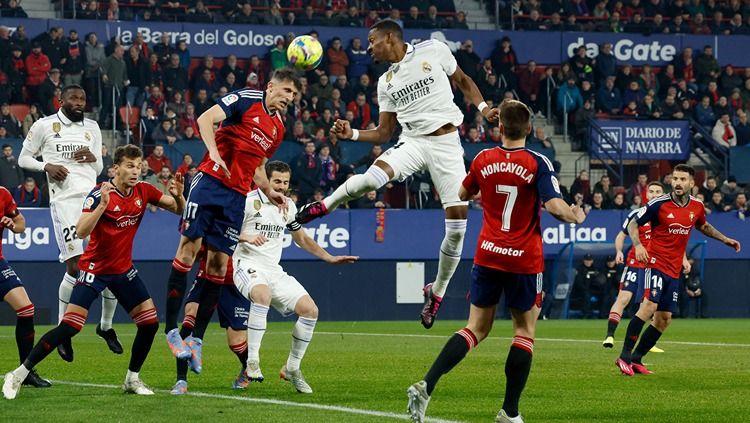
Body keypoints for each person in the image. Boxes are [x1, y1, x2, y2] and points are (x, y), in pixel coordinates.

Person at [294, 20, 500, 329]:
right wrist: (351, 134)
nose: (369, 46)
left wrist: (484, 109)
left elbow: (463, 80)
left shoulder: (433, 49)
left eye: (372, 40)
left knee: (458, 229)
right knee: (370, 179)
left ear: (389, 37)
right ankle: (325, 206)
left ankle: (437, 292)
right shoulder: (386, 82)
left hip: (446, 145)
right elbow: (383, 133)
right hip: (413, 142)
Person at [406, 100, 586, 423]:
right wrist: (575, 215)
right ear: (529, 129)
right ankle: (510, 412)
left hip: (488, 254)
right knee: (524, 331)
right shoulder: (538, 162)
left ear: (499, 127)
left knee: (475, 328)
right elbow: (556, 207)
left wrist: (485, 188)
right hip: (523, 261)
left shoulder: (483, 158)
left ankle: (426, 384)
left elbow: (462, 193)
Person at [2, 144, 186, 400]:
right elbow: (80, 231)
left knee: (150, 324)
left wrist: (178, 195)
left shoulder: (144, 191)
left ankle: (132, 379)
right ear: (115, 168)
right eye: (129, 166)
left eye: (138, 166)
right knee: (70, 327)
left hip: (123, 270)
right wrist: (102, 207)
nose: (135, 171)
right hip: (94, 270)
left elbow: (179, 209)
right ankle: (19, 374)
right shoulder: (99, 193)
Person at [163, 70, 300, 371]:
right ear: (270, 86)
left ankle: (196, 340)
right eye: (286, 90)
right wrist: (214, 153)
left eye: (293, 94)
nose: (289, 97)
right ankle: (171, 330)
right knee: (187, 250)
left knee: (218, 264)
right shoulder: (247, 99)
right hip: (210, 181)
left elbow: (259, 167)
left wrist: (270, 192)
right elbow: (204, 118)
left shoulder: (277, 128)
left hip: (237, 196)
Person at [230, 160, 357, 394]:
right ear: (266, 180)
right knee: (262, 294)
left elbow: (302, 239)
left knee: (310, 310)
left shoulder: (288, 206)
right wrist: (245, 237)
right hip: (245, 264)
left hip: (273, 270)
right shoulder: (247, 202)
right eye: (277, 181)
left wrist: (329, 258)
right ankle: (252, 362)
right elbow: (221, 230)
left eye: (285, 182)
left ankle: (292, 368)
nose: (281, 186)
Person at [18, 85, 121, 363]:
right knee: (76, 267)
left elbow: (98, 167)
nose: (79, 102)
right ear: (60, 100)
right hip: (64, 202)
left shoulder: (92, 127)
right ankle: (64, 331)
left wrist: (94, 159)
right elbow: (23, 158)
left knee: (110, 266)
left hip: (93, 201)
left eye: (83, 98)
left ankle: (106, 326)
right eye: (74, 98)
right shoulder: (44, 125)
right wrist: (46, 166)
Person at [616, 164, 741, 376]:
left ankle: (637, 359)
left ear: (692, 183)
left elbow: (703, 226)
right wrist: (637, 245)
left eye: (683, 179)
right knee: (648, 307)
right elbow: (633, 224)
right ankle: (624, 357)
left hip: (673, 269)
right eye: (675, 179)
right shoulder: (659, 204)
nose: (678, 183)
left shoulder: (697, 206)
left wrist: (725, 239)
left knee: (664, 319)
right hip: (654, 262)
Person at [169, 246, 251, 394]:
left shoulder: (245, 224)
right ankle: (181, 381)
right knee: (189, 320)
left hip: (235, 281)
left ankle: (248, 368)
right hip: (207, 275)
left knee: (237, 344)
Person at [603, 181, 673, 351]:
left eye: (658, 191)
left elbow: (676, 241)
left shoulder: (668, 216)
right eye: (652, 191)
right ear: (646, 195)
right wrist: (619, 251)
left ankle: (646, 342)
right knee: (624, 298)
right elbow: (621, 235)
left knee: (649, 305)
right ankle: (610, 335)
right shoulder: (637, 214)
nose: (655, 194)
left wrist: (683, 259)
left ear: (663, 195)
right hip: (635, 263)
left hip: (655, 265)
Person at [0, 187, 50, 388]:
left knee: (26, 309)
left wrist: (12, 225)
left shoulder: (3, 193)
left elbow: (21, 224)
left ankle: (25, 371)